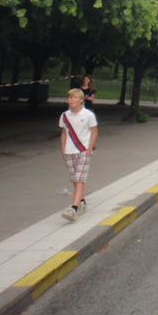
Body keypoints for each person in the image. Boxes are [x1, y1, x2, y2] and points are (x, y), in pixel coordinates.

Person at [59, 89, 98, 221]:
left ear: (81, 100)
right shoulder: (65, 116)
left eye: (76, 98)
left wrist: (88, 149)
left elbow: (94, 131)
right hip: (69, 151)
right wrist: (63, 149)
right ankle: (82, 201)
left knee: (79, 179)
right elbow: (64, 133)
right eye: (70, 98)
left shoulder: (88, 115)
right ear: (67, 100)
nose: (73, 100)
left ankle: (73, 208)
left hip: (82, 151)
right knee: (75, 179)